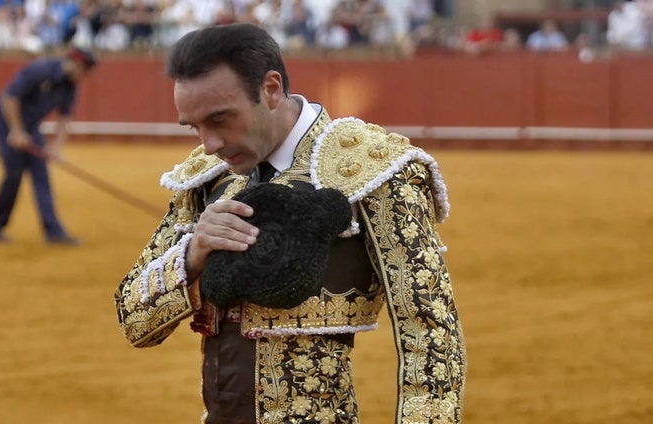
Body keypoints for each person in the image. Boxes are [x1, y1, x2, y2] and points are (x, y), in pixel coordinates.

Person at [114, 23, 466, 423]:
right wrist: (192, 255)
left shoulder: (372, 171)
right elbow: (134, 320)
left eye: (220, 120)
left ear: (271, 89)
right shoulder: (208, 179)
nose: (208, 144)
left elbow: (432, 338)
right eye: (195, 127)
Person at [0, 46, 97, 245]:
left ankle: (53, 232)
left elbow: (64, 118)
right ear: (77, 65)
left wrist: (57, 147)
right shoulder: (40, 70)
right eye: (85, 72)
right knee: (14, 176)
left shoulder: (70, 85)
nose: (85, 77)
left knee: (41, 175)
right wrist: (16, 131)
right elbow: (9, 97)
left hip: (31, 128)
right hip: (7, 124)